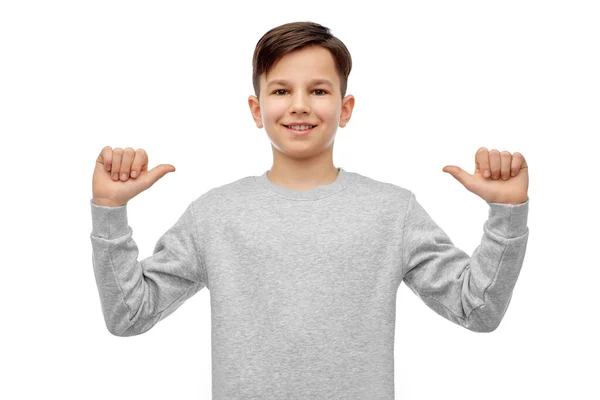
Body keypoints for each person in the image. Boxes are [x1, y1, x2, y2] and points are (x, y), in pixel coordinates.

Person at [90, 21, 530, 399]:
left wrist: (506, 216)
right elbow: (129, 315)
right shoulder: (215, 215)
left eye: (318, 90)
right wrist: (110, 211)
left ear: (345, 107)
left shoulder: (392, 211)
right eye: (281, 90)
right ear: (257, 109)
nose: (299, 104)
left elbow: (478, 311)